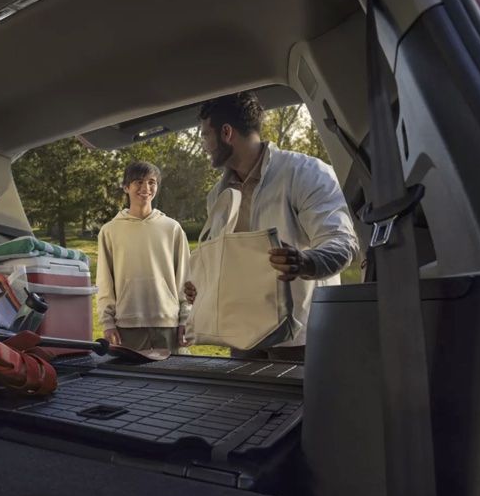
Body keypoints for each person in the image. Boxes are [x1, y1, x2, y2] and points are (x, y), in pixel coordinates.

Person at [185, 92, 358, 362]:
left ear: (226, 133)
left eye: (206, 135)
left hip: (300, 338)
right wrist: (202, 285)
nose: (204, 144)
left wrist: (305, 261)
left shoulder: (307, 173)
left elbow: (341, 242)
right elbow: (226, 263)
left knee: (297, 406)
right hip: (242, 337)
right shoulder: (216, 197)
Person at [96, 161, 192, 354]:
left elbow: (186, 278)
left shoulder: (172, 228)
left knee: (175, 381)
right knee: (133, 382)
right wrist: (108, 323)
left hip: (168, 324)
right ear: (126, 187)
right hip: (127, 326)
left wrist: (186, 319)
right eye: (138, 182)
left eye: (151, 182)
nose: (145, 188)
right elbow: (104, 282)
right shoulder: (109, 231)